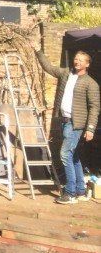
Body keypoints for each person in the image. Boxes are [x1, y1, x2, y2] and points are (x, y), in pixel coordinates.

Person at [33, 45, 99, 203]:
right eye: (76, 59)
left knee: (64, 154)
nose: (77, 62)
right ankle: (80, 191)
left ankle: (69, 193)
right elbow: (48, 67)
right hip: (64, 121)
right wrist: (38, 51)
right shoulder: (65, 74)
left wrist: (90, 128)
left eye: (81, 60)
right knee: (73, 156)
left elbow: (95, 107)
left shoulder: (91, 83)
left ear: (87, 64)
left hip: (76, 125)